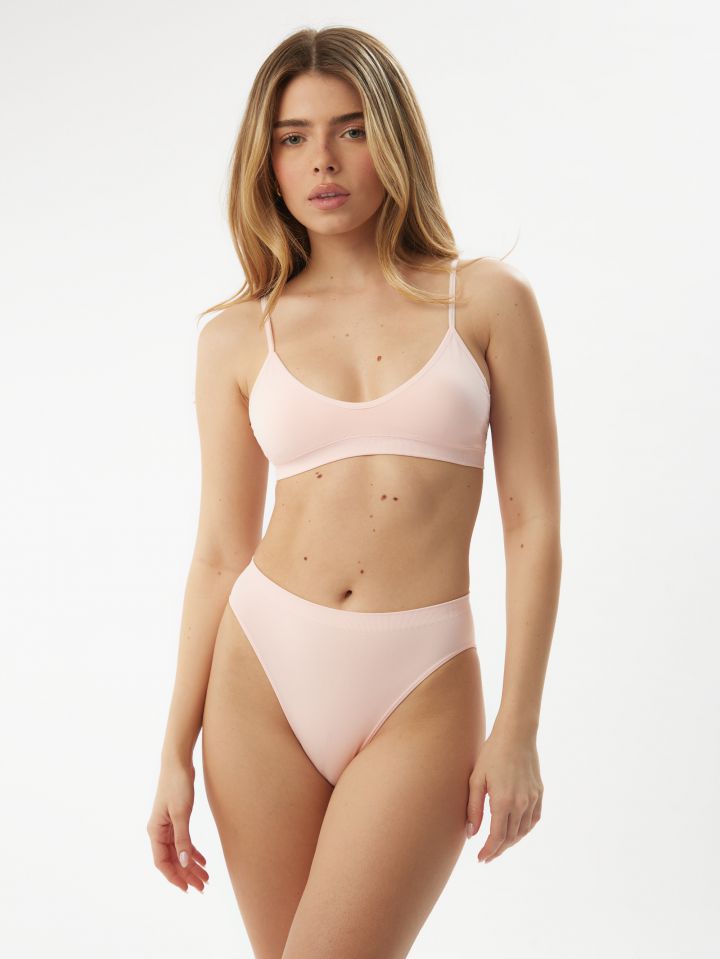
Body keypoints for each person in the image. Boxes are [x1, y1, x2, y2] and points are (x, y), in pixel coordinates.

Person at [147, 25, 561, 959]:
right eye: (292, 137)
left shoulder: (484, 301)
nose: (322, 161)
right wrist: (174, 748)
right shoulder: (236, 336)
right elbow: (219, 550)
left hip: (421, 681)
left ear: (395, 139)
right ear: (266, 162)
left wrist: (519, 727)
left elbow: (534, 523)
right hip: (259, 677)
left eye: (352, 129)